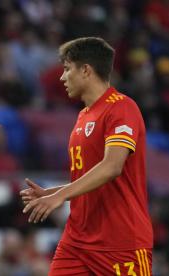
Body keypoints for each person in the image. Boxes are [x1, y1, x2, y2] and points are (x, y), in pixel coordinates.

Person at [20, 37, 153, 275]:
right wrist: (52, 192)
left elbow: (112, 167)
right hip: (77, 241)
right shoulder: (83, 116)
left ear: (85, 70)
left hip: (120, 243)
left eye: (67, 69)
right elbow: (93, 178)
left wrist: (60, 196)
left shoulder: (122, 108)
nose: (62, 77)